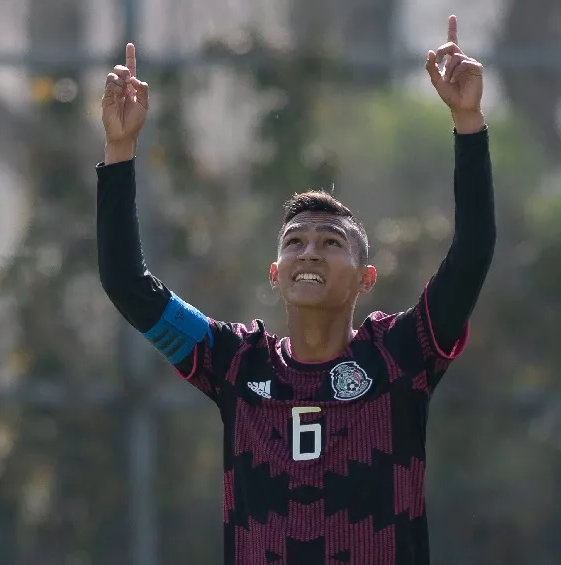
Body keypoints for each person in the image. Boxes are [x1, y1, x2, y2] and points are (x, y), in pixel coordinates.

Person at [96, 14, 495, 565]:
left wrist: (468, 121)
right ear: (275, 272)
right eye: (295, 242)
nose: (309, 251)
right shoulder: (233, 362)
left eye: (331, 243)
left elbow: (472, 252)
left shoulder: (402, 355)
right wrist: (120, 151)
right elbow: (126, 283)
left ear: (365, 279)